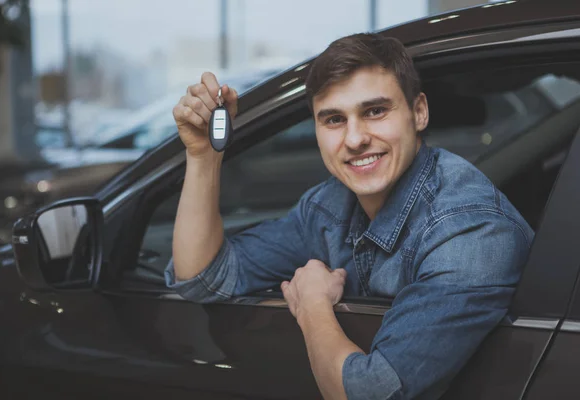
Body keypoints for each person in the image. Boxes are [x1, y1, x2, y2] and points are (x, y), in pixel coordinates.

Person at [166, 33, 534, 400]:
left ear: (418, 111)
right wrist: (203, 156)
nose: (355, 139)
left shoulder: (469, 232)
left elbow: (371, 395)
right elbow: (205, 278)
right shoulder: (330, 204)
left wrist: (313, 306)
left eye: (375, 111)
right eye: (334, 119)